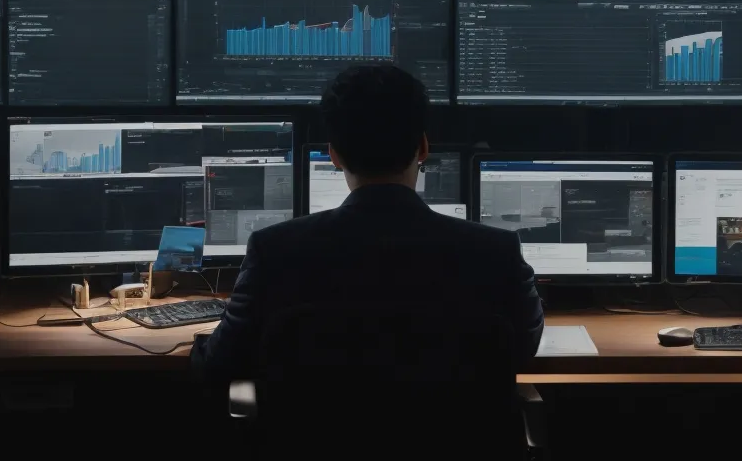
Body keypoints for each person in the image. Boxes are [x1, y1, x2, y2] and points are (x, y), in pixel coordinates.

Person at [192, 64, 545, 412]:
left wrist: (199, 344)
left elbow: (221, 362)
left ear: (333, 155)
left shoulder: (274, 251)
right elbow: (522, 349)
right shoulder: (496, 252)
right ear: (423, 148)